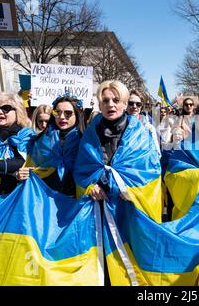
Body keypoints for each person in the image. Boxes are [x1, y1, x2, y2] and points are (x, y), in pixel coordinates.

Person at [73, 80, 162, 285]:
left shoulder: (141, 133)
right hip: (99, 208)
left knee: (131, 258)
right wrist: (90, 186)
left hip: (129, 207)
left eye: (116, 100)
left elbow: (151, 170)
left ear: (124, 104)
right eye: (106, 100)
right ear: (100, 104)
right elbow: (81, 169)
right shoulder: (89, 133)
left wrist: (129, 187)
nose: (111, 105)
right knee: (103, 260)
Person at [19, 96, 85, 196]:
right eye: (57, 112)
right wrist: (21, 174)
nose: (62, 117)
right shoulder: (42, 140)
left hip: (76, 199)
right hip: (46, 197)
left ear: (77, 115)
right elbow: (33, 167)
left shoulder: (86, 141)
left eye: (68, 113)